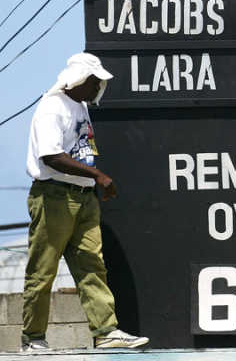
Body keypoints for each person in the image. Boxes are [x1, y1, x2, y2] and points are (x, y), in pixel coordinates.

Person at [21, 52, 148, 352]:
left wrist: (91, 183)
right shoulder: (52, 107)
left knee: (93, 266)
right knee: (43, 271)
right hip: (54, 196)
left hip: (83, 197)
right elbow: (51, 156)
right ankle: (33, 339)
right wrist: (98, 176)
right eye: (94, 82)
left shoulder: (79, 107)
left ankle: (106, 331)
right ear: (79, 79)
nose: (98, 88)